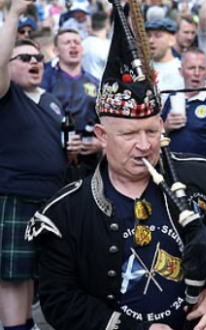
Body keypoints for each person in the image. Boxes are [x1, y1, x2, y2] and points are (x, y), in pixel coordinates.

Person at [26, 6, 206, 330]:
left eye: (152, 130)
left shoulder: (200, 176)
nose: (145, 144)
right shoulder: (67, 210)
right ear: (102, 136)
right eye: (130, 134)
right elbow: (58, 299)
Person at [0, 1, 79, 329]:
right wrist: (14, 14)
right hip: (16, 195)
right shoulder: (6, 93)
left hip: (51, 199)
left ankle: (24, 324)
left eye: (38, 58)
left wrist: (73, 149)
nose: (34, 62)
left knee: (34, 275)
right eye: (24, 58)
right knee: (14, 278)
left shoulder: (50, 100)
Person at [42, 28, 103, 180]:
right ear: (56, 50)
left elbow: (107, 122)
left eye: (76, 42)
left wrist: (101, 143)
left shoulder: (96, 83)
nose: (73, 46)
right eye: (67, 42)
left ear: (82, 50)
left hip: (89, 161)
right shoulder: (45, 81)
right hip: (55, 158)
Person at [145, 18, 185, 100]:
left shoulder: (181, 70)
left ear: (172, 40)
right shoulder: (143, 69)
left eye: (158, 36)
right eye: (148, 36)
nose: (151, 40)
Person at [82, 11, 110, 81]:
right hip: (101, 86)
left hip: (84, 85)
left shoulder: (82, 43)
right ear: (107, 23)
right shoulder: (107, 46)